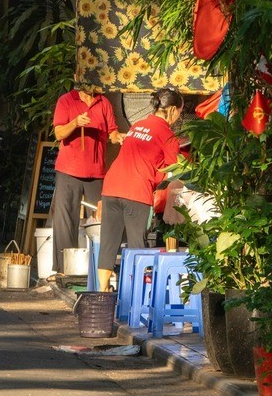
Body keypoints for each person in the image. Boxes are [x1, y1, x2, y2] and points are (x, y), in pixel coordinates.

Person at [96, 87, 185, 291]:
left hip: (111, 187)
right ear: (171, 110)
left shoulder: (138, 126)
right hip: (136, 191)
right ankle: (136, 294)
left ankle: (102, 292)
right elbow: (173, 172)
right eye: (180, 112)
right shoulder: (169, 136)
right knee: (137, 245)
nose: (179, 117)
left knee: (109, 242)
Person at [51, 82, 122, 276]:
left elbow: (112, 133)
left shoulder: (103, 102)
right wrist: (75, 123)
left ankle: (102, 269)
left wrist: (122, 137)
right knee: (65, 220)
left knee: (101, 220)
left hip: (96, 171)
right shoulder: (66, 100)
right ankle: (63, 269)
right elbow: (59, 133)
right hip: (68, 169)